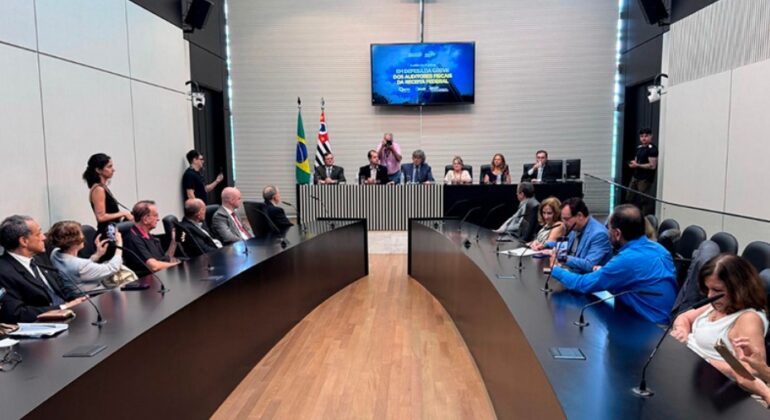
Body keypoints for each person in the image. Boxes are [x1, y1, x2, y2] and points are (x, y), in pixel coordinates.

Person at [551, 205, 677, 324]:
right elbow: (638, 282)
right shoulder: (660, 249)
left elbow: (583, 284)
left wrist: (555, 269)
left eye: (608, 228)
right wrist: (606, 273)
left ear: (617, 234)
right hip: (664, 323)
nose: (606, 232)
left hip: (646, 326)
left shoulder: (626, 259)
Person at [670, 254, 768, 378]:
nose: (710, 295)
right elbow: (684, 317)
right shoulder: (720, 303)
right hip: (685, 365)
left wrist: (708, 364)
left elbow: (755, 370)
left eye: (717, 290)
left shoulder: (748, 319)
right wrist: (682, 330)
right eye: (707, 289)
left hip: (708, 379)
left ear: (739, 288)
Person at [0, 215, 86, 323]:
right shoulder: (3, 271)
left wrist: (81, 299)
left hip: (70, 317)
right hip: (43, 325)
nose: (44, 237)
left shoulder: (38, 259)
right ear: (24, 241)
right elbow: (16, 313)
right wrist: (62, 307)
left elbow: (62, 290)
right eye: (38, 234)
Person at [48, 220, 123, 286]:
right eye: (81, 234)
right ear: (75, 241)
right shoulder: (80, 266)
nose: (83, 236)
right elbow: (113, 268)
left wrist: (97, 254)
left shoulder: (54, 254)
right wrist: (119, 244)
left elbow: (81, 267)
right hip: (94, 293)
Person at [550, 197, 612, 274]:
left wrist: (563, 257)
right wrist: (545, 245)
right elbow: (565, 244)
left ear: (580, 215)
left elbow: (589, 265)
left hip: (587, 278)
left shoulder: (599, 234)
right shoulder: (575, 227)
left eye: (566, 219)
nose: (564, 223)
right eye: (563, 219)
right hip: (571, 273)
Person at [123, 200, 181, 276]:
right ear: (145, 219)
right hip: (149, 280)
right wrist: (179, 265)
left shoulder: (149, 236)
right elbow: (154, 266)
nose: (158, 219)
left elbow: (164, 259)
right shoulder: (133, 239)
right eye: (155, 215)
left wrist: (174, 241)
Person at [83, 153, 133, 236]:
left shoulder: (103, 187)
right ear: (98, 170)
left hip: (113, 229)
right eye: (109, 167)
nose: (113, 170)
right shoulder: (98, 189)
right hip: (107, 234)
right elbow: (101, 217)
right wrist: (123, 213)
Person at [626, 128, 658, 215]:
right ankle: (628, 215)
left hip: (645, 179)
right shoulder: (639, 148)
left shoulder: (652, 149)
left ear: (651, 136)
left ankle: (645, 217)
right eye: (642, 136)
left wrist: (638, 165)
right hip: (635, 176)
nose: (644, 138)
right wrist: (633, 164)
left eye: (646, 136)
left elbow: (652, 166)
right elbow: (636, 160)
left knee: (644, 200)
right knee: (629, 196)